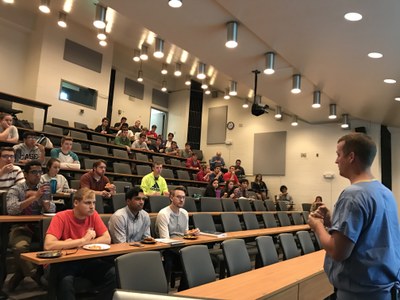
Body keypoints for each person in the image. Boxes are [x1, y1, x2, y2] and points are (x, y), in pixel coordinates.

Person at [308, 133, 400, 300]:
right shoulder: (385, 192)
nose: (336, 161)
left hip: (362, 294)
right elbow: (368, 233)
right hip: (386, 289)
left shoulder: (353, 195)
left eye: (338, 154)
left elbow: (338, 251)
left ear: (351, 157)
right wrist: (331, 222)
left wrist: (317, 226)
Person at [44, 188, 116, 300]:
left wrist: (79, 243)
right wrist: (83, 240)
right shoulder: (61, 217)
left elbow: (107, 238)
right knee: (66, 282)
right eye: (87, 203)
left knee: (113, 273)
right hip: (64, 262)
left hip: (86, 260)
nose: (92, 206)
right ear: (76, 203)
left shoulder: (93, 215)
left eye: (94, 203)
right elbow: (48, 245)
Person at [6, 160, 56, 291]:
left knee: (57, 243)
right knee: (19, 247)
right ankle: (36, 276)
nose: (38, 175)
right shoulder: (16, 189)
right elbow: (11, 209)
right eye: (34, 172)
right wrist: (34, 198)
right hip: (21, 227)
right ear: (25, 174)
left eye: (40, 172)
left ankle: (21, 275)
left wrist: (47, 205)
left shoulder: (44, 188)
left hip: (41, 227)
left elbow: (52, 208)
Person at [155, 187, 200, 289]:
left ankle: (183, 289)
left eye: (183, 197)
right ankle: (164, 289)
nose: (182, 200)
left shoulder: (184, 212)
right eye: (178, 197)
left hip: (182, 246)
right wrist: (184, 239)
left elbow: (185, 233)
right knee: (188, 257)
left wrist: (192, 233)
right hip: (167, 248)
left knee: (195, 256)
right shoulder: (164, 214)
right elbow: (165, 238)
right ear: (171, 197)